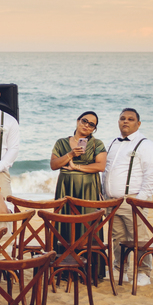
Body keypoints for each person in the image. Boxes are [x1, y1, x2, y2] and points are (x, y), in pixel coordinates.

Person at [101, 108, 153, 286]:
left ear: (138, 123)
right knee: (117, 237)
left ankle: (144, 272)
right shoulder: (112, 143)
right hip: (112, 200)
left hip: (132, 199)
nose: (125, 121)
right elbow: (106, 171)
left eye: (130, 119)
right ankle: (120, 269)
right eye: (122, 118)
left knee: (138, 236)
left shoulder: (146, 145)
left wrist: (139, 201)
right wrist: (104, 196)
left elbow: (151, 175)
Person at [50, 111, 108, 264]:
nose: (86, 125)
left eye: (91, 124)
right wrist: (70, 155)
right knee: (64, 224)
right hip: (65, 188)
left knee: (88, 225)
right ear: (77, 121)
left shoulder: (97, 144)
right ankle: (62, 264)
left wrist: (77, 167)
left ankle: (90, 267)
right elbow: (54, 165)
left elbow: (101, 166)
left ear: (94, 129)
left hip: (88, 189)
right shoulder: (61, 142)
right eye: (84, 121)